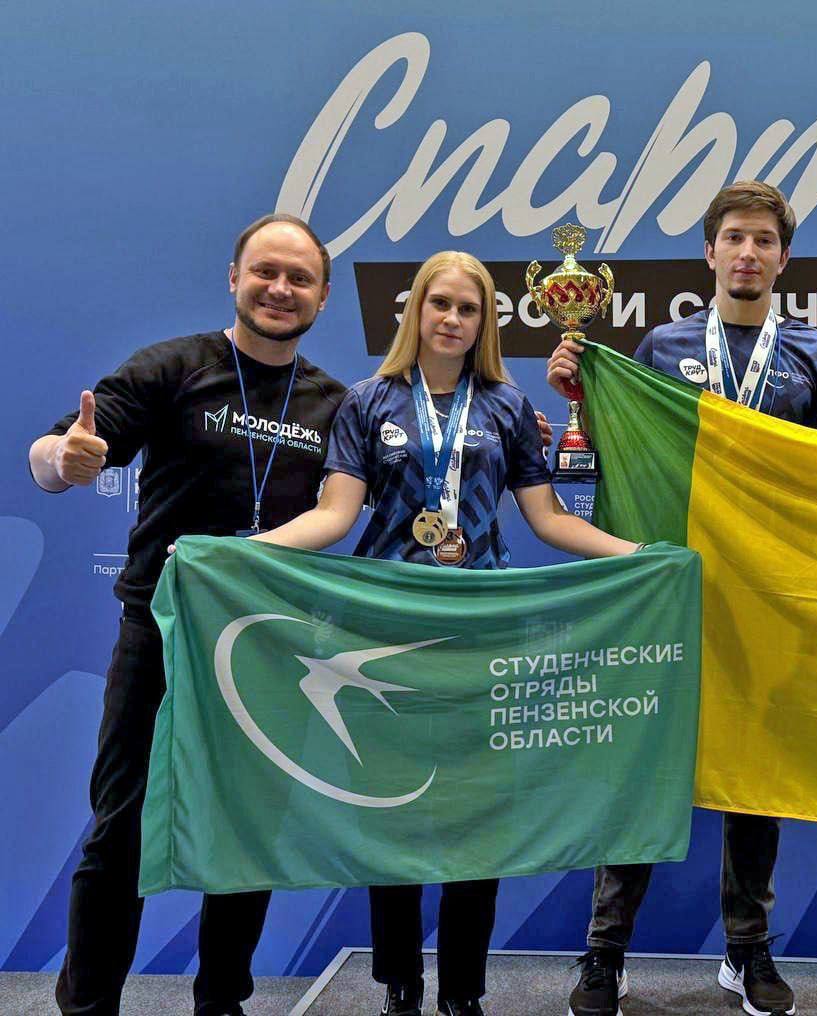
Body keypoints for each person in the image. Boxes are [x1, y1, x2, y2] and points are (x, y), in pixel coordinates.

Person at [251, 250, 640, 1016]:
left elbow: (547, 518)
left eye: (469, 308)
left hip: (480, 635)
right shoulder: (367, 402)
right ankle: (400, 981)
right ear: (415, 311)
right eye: (441, 304)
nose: (453, 319)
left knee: (476, 820)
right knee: (394, 813)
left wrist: (641, 556)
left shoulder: (505, 405)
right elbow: (333, 515)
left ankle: (463, 990)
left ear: (484, 321)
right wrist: (237, 553)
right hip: (387, 633)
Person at [28, 214, 347, 1015]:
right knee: (121, 826)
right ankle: (88, 1005)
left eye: (300, 278)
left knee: (245, 832)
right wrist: (62, 459)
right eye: (265, 271)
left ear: (323, 296)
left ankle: (222, 1003)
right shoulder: (173, 367)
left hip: (265, 645)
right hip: (160, 634)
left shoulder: (334, 404)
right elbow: (56, 453)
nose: (280, 289)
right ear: (234, 278)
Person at [547, 180, 817, 1016]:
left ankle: (747, 950)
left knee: (756, 776)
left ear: (784, 258)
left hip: (766, 595)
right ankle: (605, 953)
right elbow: (628, 451)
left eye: (764, 240)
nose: (748, 253)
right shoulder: (662, 344)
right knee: (643, 763)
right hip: (672, 587)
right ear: (710, 252)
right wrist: (582, 400)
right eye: (735, 238)